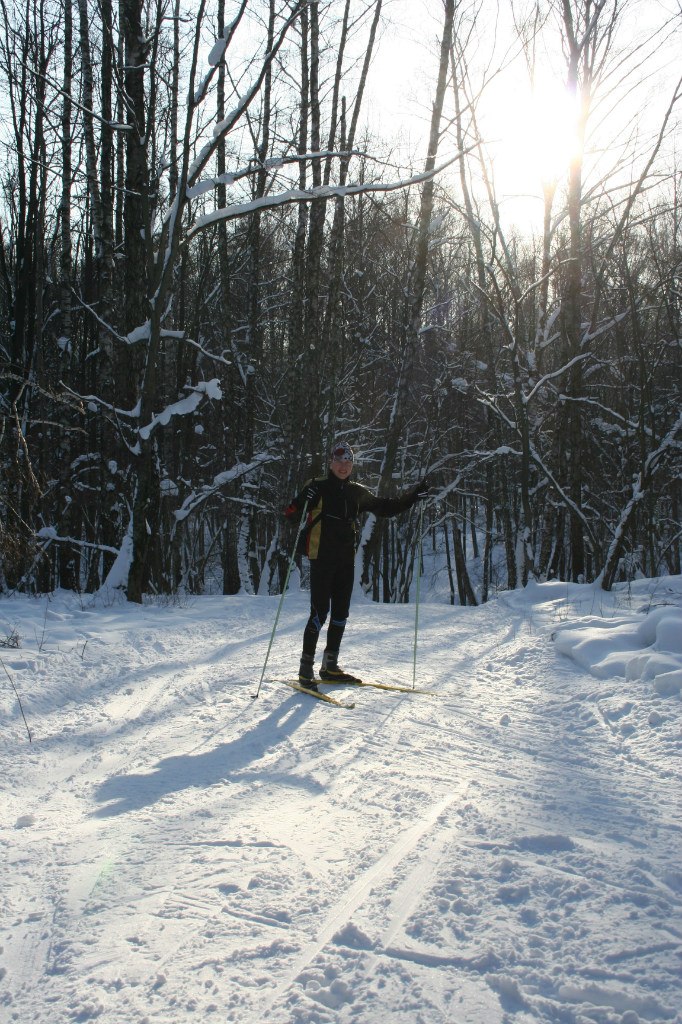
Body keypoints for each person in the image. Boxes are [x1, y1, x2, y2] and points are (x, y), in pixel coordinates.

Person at [284, 440, 429, 691]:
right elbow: (289, 515)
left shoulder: (356, 492)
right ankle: (305, 670)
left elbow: (385, 507)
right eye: (339, 461)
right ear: (331, 462)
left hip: (345, 561)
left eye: (348, 462)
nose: (344, 466)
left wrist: (412, 497)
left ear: (352, 465)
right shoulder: (316, 486)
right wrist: (300, 501)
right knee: (319, 613)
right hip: (321, 558)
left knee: (341, 613)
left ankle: (330, 666)